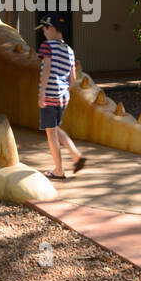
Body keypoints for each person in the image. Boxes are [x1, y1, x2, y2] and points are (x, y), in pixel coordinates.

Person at [36, 15, 87, 179]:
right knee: (55, 127)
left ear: (51, 28)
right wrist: (65, 92)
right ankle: (75, 155)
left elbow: (47, 68)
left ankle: (59, 169)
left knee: (51, 133)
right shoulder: (69, 50)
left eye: (44, 29)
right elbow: (73, 78)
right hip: (63, 96)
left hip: (50, 93)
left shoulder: (47, 46)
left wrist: (42, 92)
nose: (43, 33)